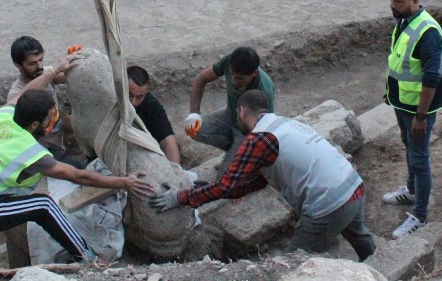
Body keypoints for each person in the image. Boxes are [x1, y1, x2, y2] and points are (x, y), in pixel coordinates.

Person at [0, 58, 154, 270]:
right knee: (43, 206)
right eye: (50, 121)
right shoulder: (27, 150)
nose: (54, 124)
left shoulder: (3, 116)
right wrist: (122, 182)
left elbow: (24, 93)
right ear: (35, 124)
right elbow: (77, 176)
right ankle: (87, 259)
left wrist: (55, 69)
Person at [149, 90, 375, 261]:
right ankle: (378, 267)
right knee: (361, 240)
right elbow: (252, 181)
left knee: (295, 262)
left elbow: (228, 186)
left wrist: (180, 197)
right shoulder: (285, 124)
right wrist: (208, 189)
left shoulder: (259, 138)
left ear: (241, 111)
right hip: (353, 186)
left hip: (328, 204)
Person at [381, 0, 442, 239]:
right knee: (409, 147)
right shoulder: (403, 21)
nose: (392, 4)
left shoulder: (428, 33)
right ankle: (410, 192)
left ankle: (419, 216)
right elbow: (401, 64)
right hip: (403, 103)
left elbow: (432, 78)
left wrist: (421, 116)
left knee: (420, 159)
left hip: (419, 109)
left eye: (398, 1)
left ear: (414, 1)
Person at [185, 46, 276, 173]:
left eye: (240, 78)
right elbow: (201, 79)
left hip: (247, 131)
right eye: (232, 75)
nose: (233, 81)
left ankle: (242, 158)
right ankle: (232, 150)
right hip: (230, 114)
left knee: (224, 177)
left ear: (254, 74)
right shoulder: (230, 61)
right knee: (194, 129)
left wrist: (246, 150)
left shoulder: (264, 90)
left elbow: (264, 129)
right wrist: (194, 113)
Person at [7, 36, 88, 169]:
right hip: (42, 151)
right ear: (18, 65)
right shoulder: (16, 94)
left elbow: (69, 78)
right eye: (32, 64)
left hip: (57, 134)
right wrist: (55, 71)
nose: (39, 66)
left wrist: (76, 65)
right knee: (85, 172)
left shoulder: (44, 73)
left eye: (41, 60)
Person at [127, 65, 180, 164]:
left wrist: (176, 172)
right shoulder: (111, 100)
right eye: (130, 95)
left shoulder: (150, 105)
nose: (133, 102)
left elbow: (168, 140)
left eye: (139, 97)